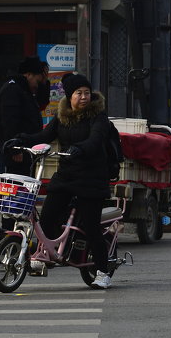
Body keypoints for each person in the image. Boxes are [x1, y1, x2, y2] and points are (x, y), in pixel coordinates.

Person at [19, 73, 119, 289]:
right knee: (46, 217)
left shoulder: (98, 116)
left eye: (86, 93)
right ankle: (48, 254)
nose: (84, 97)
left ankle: (103, 271)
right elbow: (44, 136)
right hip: (67, 175)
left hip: (92, 177)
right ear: (69, 96)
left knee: (91, 226)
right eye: (78, 93)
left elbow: (96, 139)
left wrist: (80, 148)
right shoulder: (62, 115)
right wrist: (20, 140)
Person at [0, 56, 49, 177]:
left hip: (26, 149)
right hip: (16, 152)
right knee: (16, 187)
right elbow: (9, 122)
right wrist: (15, 148)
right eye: (37, 81)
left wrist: (44, 83)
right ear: (29, 75)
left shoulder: (24, 90)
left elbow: (41, 103)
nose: (37, 85)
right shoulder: (13, 89)